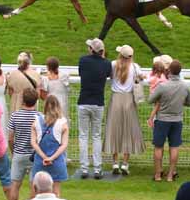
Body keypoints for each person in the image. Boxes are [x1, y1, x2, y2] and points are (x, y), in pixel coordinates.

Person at [148, 60, 190, 182]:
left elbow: (150, 99)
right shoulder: (185, 86)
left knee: (158, 147)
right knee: (174, 147)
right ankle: (170, 175)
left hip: (162, 120)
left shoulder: (162, 86)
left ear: (169, 71)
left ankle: (157, 175)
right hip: (177, 120)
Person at [103, 45, 145, 175]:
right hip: (129, 100)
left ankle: (115, 162)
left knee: (114, 130)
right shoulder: (135, 67)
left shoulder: (113, 64)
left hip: (115, 99)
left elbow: (108, 76)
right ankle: (125, 164)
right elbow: (142, 77)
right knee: (128, 131)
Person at [77, 38, 112, 180]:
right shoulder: (106, 64)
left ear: (92, 49)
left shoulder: (83, 61)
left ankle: (84, 168)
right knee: (96, 136)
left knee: (83, 136)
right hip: (98, 103)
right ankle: (97, 168)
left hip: (84, 101)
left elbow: (81, 73)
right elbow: (108, 74)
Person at [7, 88, 42, 200]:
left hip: (19, 154)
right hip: (35, 155)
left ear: (23, 100)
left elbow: (10, 138)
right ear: (36, 101)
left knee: (15, 185)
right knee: (34, 185)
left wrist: (13, 151)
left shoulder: (15, 116)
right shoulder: (39, 117)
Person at [30, 95, 69, 196]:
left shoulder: (36, 121)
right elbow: (64, 145)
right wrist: (51, 158)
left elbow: (33, 143)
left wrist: (44, 157)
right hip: (56, 161)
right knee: (56, 191)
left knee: (35, 192)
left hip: (40, 160)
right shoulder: (63, 123)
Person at [40, 57, 69, 123]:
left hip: (51, 106)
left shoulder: (45, 79)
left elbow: (43, 96)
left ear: (47, 67)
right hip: (62, 106)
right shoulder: (64, 76)